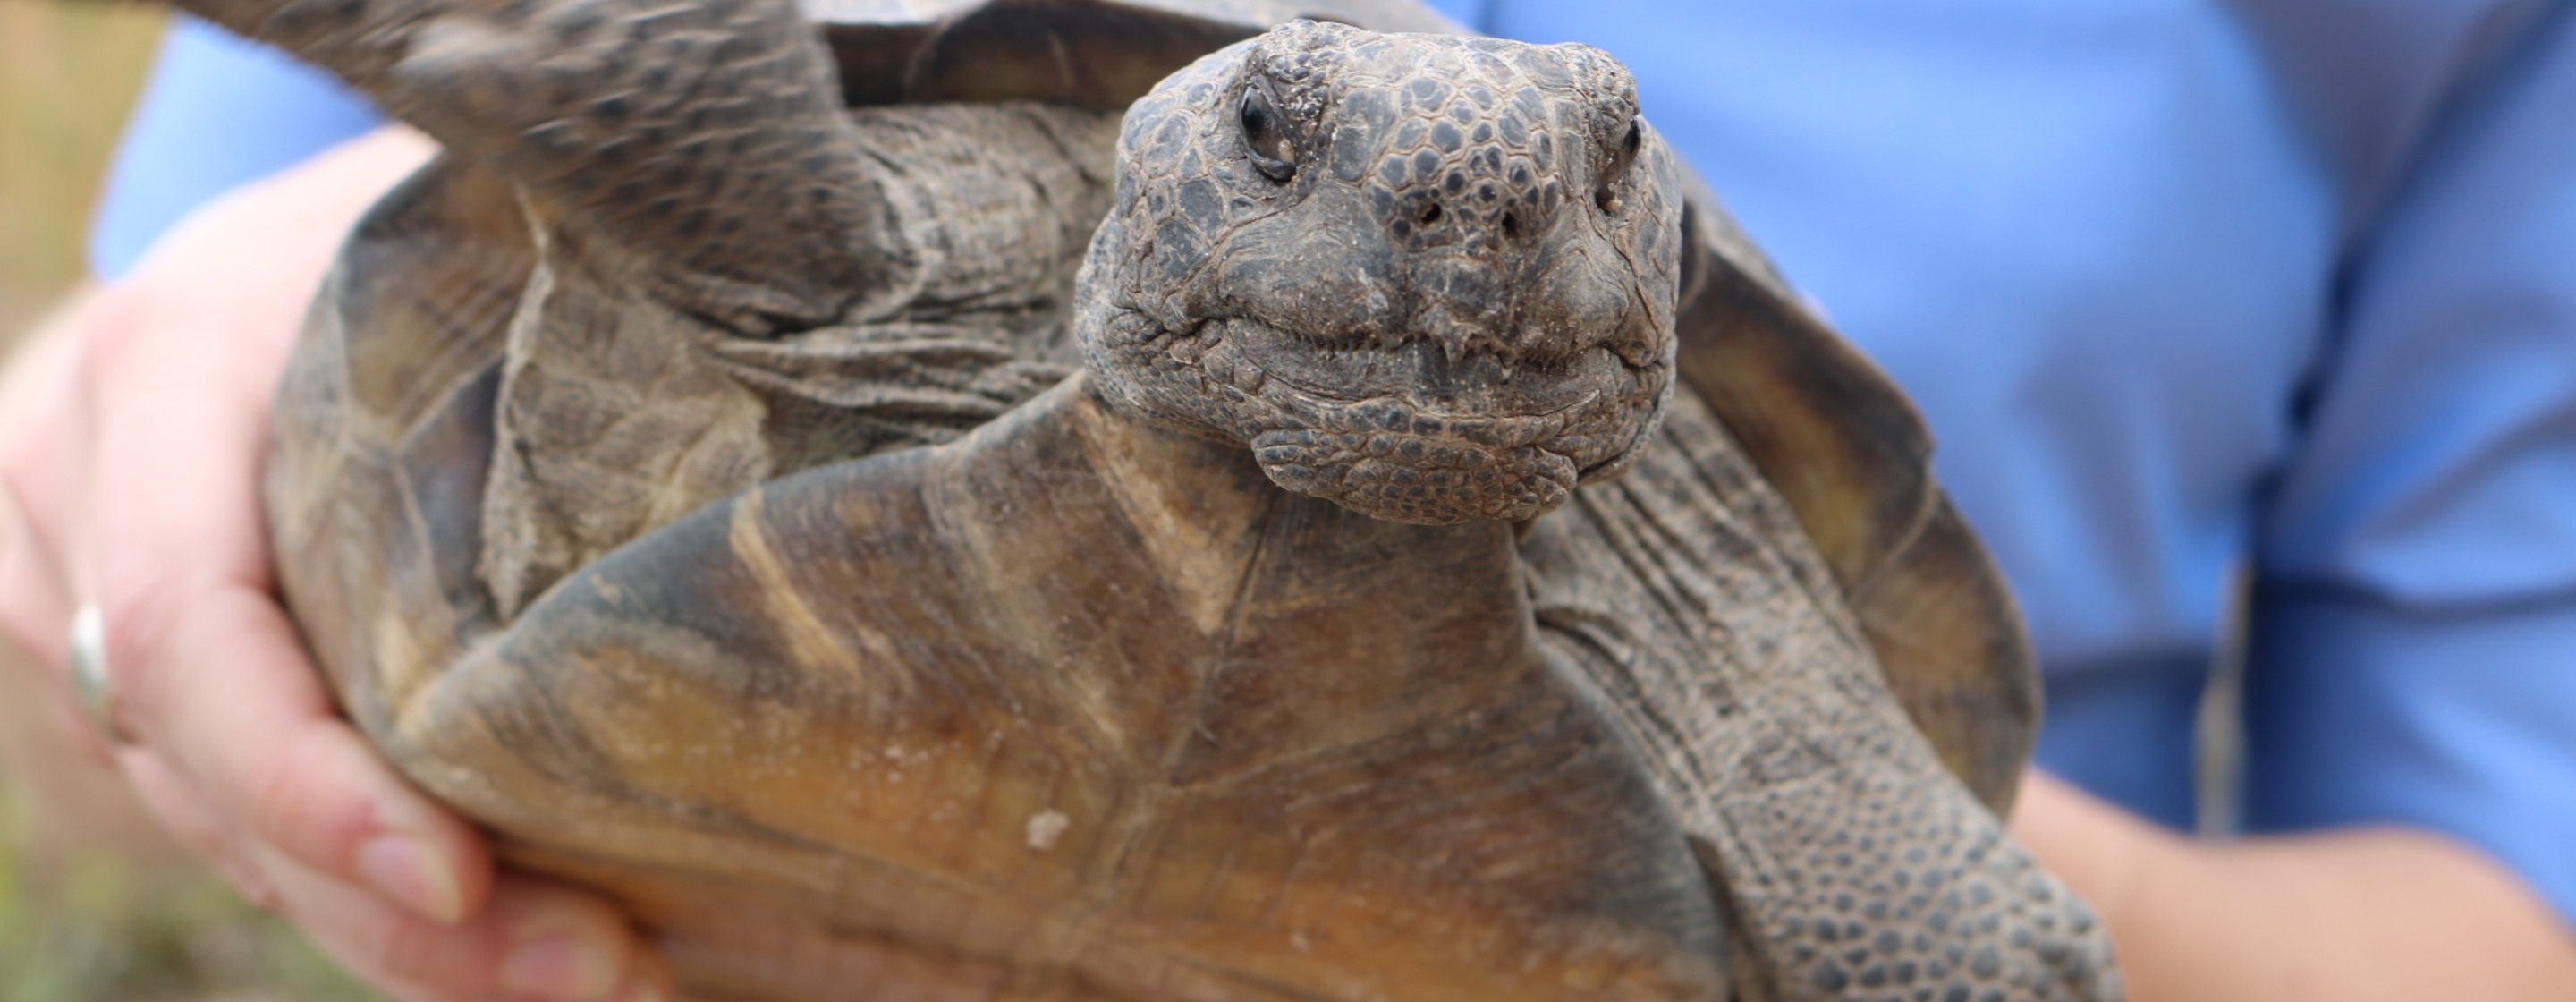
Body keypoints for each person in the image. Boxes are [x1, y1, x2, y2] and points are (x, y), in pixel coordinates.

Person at [4, 3, 2573, 999]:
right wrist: (137, 454)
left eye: (1569, 191)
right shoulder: (815, 190)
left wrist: (1867, 867)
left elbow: (2506, 912)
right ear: (1164, 174)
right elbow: (67, 623)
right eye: (1300, 156)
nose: (1465, 233)